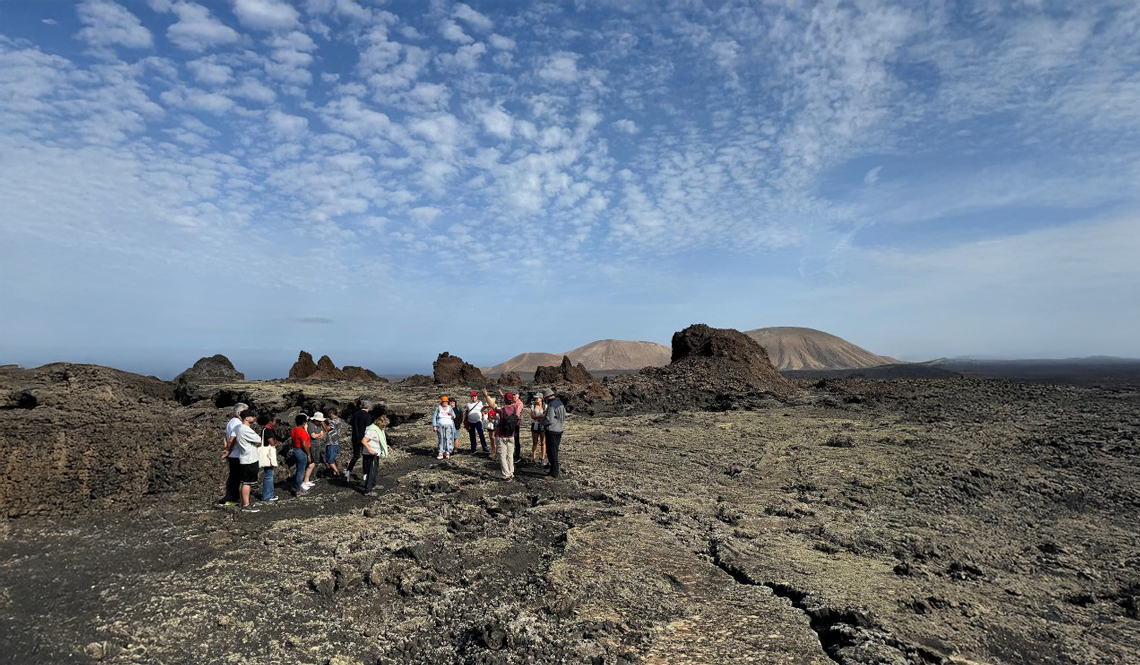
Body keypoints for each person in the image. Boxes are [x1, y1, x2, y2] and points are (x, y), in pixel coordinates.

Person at [232, 410, 262, 513]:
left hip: (244, 458)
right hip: (250, 459)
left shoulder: (240, 429)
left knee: (243, 482)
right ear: (246, 418)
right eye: (251, 416)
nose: (253, 418)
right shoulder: (246, 429)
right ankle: (246, 505)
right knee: (247, 483)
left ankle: (243, 502)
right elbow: (258, 439)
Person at [489, 389, 521, 480]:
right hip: (511, 435)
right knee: (510, 455)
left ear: (505, 400)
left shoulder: (502, 410)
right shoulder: (515, 408)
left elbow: (492, 405)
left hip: (501, 435)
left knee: (502, 455)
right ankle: (511, 472)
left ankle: (506, 475)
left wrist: (486, 396)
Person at [221, 403, 248, 506]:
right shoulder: (238, 424)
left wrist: (226, 448)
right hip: (236, 455)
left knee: (233, 476)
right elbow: (232, 439)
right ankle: (234, 498)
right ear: (239, 413)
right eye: (246, 412)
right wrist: (229, 450)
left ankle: (231, 497)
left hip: (233, 455)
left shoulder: (231, 422)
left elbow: (225, 436)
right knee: (238, 478)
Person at [360, 415, 389, 497]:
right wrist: (370, 450)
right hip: (370, 454)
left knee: (375, 470)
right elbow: (364, 440)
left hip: (375, 453)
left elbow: (377, 440)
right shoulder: (372, 430)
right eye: (384, 425)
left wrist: (384, 446)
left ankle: (373, 484)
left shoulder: (378, 429)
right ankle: (367, 490)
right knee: (370, 472)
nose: (385, 427)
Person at [346, 401, 373, 481]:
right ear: (368, 407)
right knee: (365, 456)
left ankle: (348, 471)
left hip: (355, 437)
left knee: (356, 455)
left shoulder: (356, 414)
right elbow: (369, 428)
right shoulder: (367, 416)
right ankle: (365, 474)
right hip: (364, 438)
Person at [542, 388, 566, 478]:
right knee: (554, 450)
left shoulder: (551, 405)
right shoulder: (560, 403)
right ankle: (553, 470)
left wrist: (542, 422)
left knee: (552, 452)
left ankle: (554, 473)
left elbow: (549, 419)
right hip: (559, 429)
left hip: (552, 431)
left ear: (547, 396)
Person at [258, 414, 281, 502]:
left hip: (266, 454)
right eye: (274, 421)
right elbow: (272, 443)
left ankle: (268, 494)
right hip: (268, 455)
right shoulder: (267, 431)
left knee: (268, 475)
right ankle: (267, 495)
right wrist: (277, 443)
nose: (275, 423)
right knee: (269, 475)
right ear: (270, 422)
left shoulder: (264, 430)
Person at [303, 412, 326, 490]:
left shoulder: (318, 425)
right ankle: (308, 478)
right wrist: (319, 434)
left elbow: (322, 435)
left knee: (316, 461)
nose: (320, 422)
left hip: (317, 445)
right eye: (318, 421)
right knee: (311, 462)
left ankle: (313, 477)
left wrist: (318, 435)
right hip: (311, 446)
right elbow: (313, 436)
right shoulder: (311, 425)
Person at [291, 413, 311, 496]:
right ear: (304, 422)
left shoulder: (293, 429)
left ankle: (298, 487)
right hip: (301, 451)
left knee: (299, 470)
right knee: (300, 472)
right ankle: (298, 490)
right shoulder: (302, 431)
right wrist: (309, 454)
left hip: (295, 450)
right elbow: (304, 444)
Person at [432, 395, 457, 460]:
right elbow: (434, 417)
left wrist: (451, 414)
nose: (445, 403)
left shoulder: (450, 408)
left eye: (446, 401)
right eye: (444, 402)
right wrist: (434, 426)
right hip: (440, 425)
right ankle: (440, 452)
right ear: (441, 402)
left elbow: (454, 416)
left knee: (448, 438)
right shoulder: (438, 408)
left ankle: (447, 452)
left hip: (449, 425)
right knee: (441, 438)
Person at [323, 408, 344, 480]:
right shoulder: (339, 420)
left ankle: (337, 473)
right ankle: (334, 473)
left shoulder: (334, 421)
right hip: (335, 442)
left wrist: (322, 422)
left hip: (332, 442)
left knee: (330, 459)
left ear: (331, 413)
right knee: (332, 458)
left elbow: (327, 429)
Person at [529, 392, 546, 463]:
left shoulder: (545, 406)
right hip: (535, 425)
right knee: (535, 442)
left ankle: (543, 457)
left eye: (537, 398)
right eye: (536, 398)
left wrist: (536, 417)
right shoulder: (533, 406)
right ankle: (534, 457)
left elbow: (545, 416)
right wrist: (540, 416)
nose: (536, 399)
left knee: (543, 442)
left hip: (542, 426)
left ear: (541, 399)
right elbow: (532, 416)